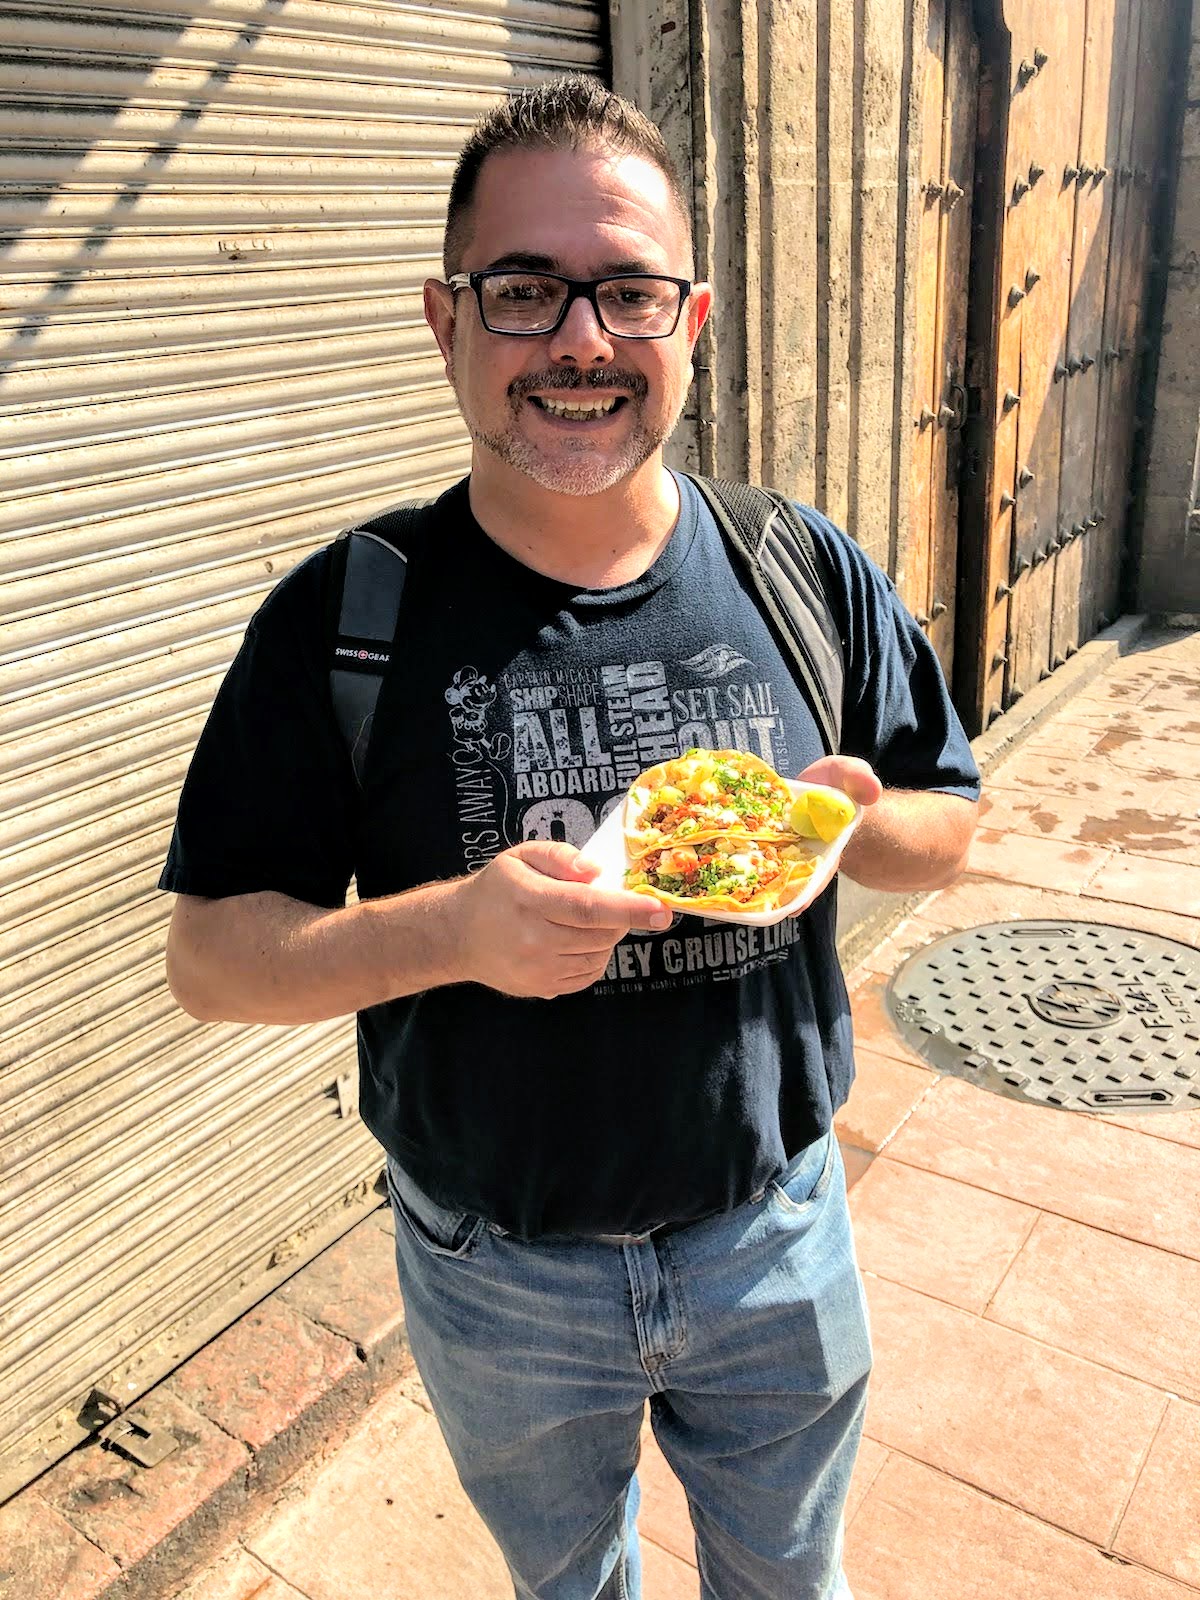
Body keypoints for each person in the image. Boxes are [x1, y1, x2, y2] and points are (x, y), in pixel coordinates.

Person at [160, 77, 979, 1600]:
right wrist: (452, 931)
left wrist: (854, 838)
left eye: (630, 291)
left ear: (694, 320)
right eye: (525, 289)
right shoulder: (347, 617)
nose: (583, 340)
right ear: (445, 320)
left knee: (791, 1581)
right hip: (499, 1273)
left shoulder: (801, 569)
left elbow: (950, 823)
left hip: (775, 1232)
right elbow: (209, 960)